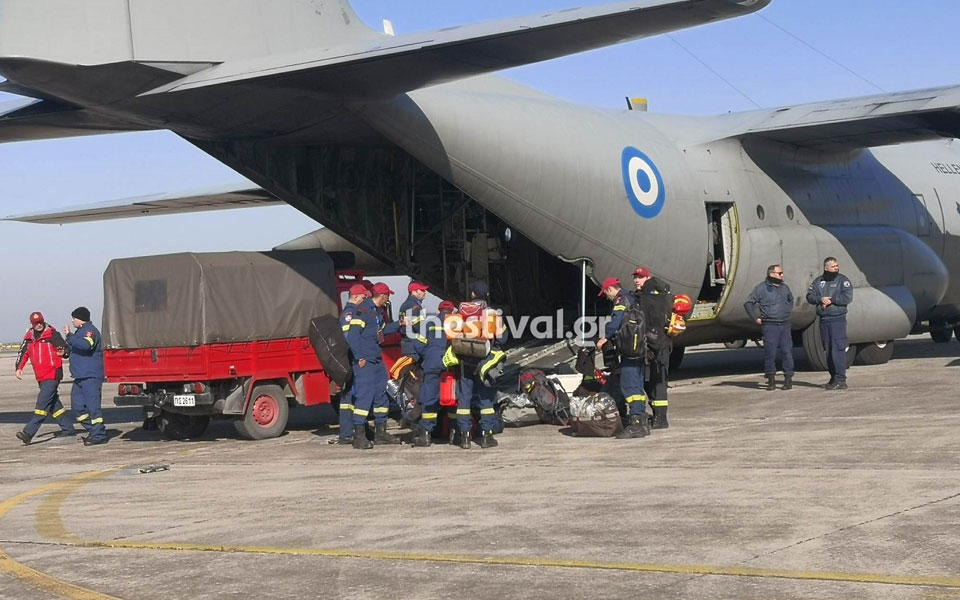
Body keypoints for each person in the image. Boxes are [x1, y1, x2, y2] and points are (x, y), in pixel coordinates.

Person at [450, 281, 506, 449]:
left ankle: (465, 436)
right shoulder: (492, 314)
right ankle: (486, 436)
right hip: (484, 361)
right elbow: (503, 338)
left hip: (464, 361)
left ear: (472, 294)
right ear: (487, 295)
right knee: (486, 398)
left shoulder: (459, 312)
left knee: (464, 400)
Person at [597, 277, 649, 439]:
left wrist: (606, 337)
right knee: (638, 386)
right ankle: (641, 420)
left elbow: (617, 320)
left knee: (629, 386)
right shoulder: (633, 298)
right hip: (640, 348)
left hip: (629, 350)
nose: (607, 297)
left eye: (606, 293)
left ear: (610, 289)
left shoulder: (621, 300)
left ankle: (636, 425)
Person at [14, 312, 77, 445]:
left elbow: (66, 350)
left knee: (42, 404)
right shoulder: (29, 338)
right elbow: (23, 354)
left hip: (53, 374)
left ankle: (28, 433)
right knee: (53, 404)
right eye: (36, 323)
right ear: (32, 324)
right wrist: (19, 368)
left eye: (40, 322)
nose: (39, 325)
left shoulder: (53, 334)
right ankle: (68, 428)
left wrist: (64, 353)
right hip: (40, 376)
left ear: (43, 321)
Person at [630, 267, 672, 429]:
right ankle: (658, 415)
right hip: (661, 344)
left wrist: (648, 348)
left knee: (657, 382)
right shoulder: (660, 295)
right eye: (635, 277)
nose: (636, 280)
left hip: (656, 347)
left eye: (640, 277)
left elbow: (649, 324)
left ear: (647, 278)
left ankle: (661, 418)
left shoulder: (648, 297)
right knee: (654, 381)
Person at [411, 300, 456, 447]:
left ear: (439, 310)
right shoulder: (456, 322)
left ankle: (426, 435)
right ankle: (454, 434)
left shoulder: (429, 323)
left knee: (429, 399)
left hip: (432, 364)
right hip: (451, 365)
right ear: (451, 311)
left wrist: (429, 354)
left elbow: (418, 343)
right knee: (452, 398)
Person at [743, 265, 795, 391]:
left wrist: (787, 312)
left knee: (787, 352)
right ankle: (771, 379)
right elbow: (748, 303)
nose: (782, 275)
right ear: (772, 274)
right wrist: (755, 318)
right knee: (770, 353)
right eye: (780, 273)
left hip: (784, 324)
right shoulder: (761, 288)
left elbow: (790, 300)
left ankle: (788, 379)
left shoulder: (785, 288)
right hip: (770, 325)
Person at [806, 257, 854, 390]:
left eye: (837, 266)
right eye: (833, 266)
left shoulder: (842, 281)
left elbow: (847, 297)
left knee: (837, 349)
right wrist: (820, 299)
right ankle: (833, 378)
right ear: (826, 268)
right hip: (824, 320)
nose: (836, 268)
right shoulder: (818, 282)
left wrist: (832, 300)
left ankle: (840, 379)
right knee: (828, 350)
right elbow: (809, 296)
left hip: (837, 319)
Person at [64, 307, 108, 445]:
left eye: (74, 318)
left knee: (93, 407)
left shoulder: (90, 331)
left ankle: (98, 435)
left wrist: (70, 336)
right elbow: (76, 349)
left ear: (80, 318)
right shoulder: (80, 332)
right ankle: (94, 430)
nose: (72, 321)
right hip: (80, 377)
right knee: (78, 407)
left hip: (90, 376)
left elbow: (85, 346)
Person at [368, 283, 402, 444]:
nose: (388, 299)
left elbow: (382, 330)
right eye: (388, 296)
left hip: (376, 357)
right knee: (366, 395)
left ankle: (380, 432)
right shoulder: (366, 312)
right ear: (382, 296)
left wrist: (398, 324)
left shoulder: (377, 312)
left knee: (381, 393)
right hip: (368, 359)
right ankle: (362, 433)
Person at [336, 285, 370, 445]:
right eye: (363, 298)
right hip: (351, 360)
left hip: (350, 359)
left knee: (351, 397)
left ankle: (351, 431)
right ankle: (347, 433)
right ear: (356, 297)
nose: (364, 301)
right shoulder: (350, 314)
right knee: (349, 397)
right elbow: (350, 338)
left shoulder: (350, 312)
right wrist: (359, 357)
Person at [398, 281, 430, 359]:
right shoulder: (413, 306)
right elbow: (419, 327)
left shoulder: (406, 304)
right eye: (422, 290)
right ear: (414, 292)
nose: (425, 292)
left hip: (409, 345)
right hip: (414, 347)